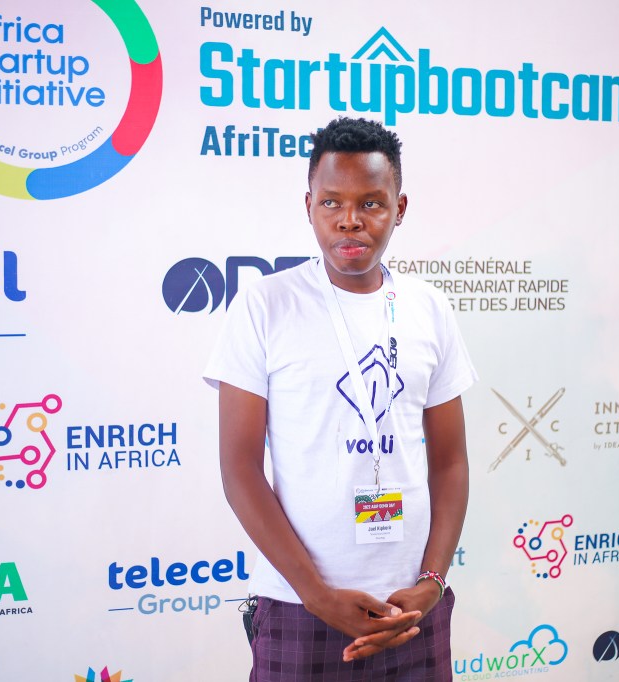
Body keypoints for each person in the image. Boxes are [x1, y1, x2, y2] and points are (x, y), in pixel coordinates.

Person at [204, 116, 476, 681]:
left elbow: (450, 462)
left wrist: (431, 583)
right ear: (309, 206)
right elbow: (239, 469)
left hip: (410, 608)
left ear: (400, 208)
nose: (350, 220)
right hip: (301, 604)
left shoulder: (429, 307)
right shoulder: (265, 306)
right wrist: (318, 595)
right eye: (331, 202)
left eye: (371, 203)